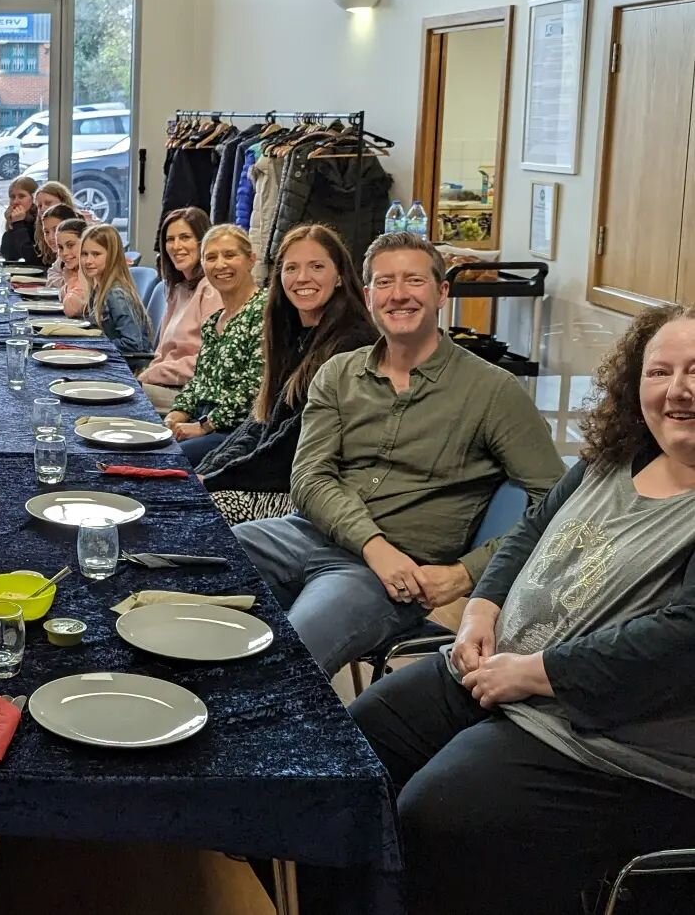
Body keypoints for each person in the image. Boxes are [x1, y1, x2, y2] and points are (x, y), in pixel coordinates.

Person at [351, 303, 695, 915]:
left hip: (603, 732)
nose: (677, 391)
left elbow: (680, 643)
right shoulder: (610, 459)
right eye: (658, 371)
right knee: (351, 751)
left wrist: (536, 672)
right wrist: (481, 609)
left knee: (437, 814)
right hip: (500, 672)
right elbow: (530, 531)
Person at [234, 231, 563, 677]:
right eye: (385, 283)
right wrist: (374, 546)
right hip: (302, 535)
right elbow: (309, 477)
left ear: (443, 292)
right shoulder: (339, 373)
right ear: (368, 296)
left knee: (286, 658)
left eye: (414, 281)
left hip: (391, 580)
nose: (399, 295)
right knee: (178, 566)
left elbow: (559, 507)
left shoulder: (492, 392)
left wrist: (466, 573)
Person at [198, 224, 376, 526]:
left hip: (313, 494)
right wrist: (207, 470)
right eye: (291, 268)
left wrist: (213, 481)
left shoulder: (351, 344)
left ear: (340, 276)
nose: (302, 277)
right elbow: (260, 423)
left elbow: (292, 446)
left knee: (196, 513)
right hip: (277, 478)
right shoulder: (295, 335)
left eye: (317, 266)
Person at [166, 224, 267, 465]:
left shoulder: (264, 311)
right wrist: (174, 416)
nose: (220, 265)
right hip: (202, 421)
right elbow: (199, 381)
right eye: (211, 257)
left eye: (230, 255)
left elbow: (255, 389)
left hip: (238, 432)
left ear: (251, 260)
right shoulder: (214, 321)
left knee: (166, 459)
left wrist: (204, 426)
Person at [138, 207, 222, 414]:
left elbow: (208, 362)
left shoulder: (212, 290)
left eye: (185, 237)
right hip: (161, 383)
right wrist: (150, 372)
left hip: (190, 393)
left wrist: (152, 374)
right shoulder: (178, 289)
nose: (176, 246)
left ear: (203, 242)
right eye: (170, 239)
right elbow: (163, 352)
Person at [80, 224, 154, 372]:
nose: (88, 261)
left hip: (128, 368)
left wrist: (96, 345)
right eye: (84, 254)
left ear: (112, 256)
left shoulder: (115, 294)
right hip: (111, 360)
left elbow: (134, 345)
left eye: (96, 254)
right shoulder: (98, 287)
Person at [0, 176, 40, 265]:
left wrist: (18, 224)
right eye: (12, 197)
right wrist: (11, 224)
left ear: (33, 198)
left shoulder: (39, 222)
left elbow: (30, 257)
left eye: (21, 196)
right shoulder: (17, 219)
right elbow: (8, 255)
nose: (15, 202)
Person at [54, 217, 88, 317]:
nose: (64, 253)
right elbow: (62, 295)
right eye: (60, 247)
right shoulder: (75, 270)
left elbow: (71, 308)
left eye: (70, 245)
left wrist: (70, 282)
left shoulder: (90, 270)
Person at [39, 204, 78, 281]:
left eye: (56, 230)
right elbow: (51, 275)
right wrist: (65, 281)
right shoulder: (61, 257)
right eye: (46, 232)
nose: (51, 237)